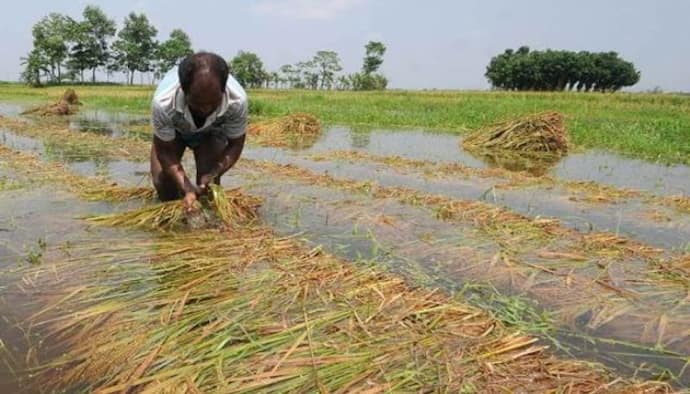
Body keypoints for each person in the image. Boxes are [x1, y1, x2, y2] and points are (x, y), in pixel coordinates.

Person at [150, 51, 247, 212]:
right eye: (197, 102)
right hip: (176, 131)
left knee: (208, 187)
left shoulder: (237, 101)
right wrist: (186, 186)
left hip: (212, 132)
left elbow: (236, 144)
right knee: (164, 184)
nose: (205, 109)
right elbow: (165, 152)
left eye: (213, 102)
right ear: (184, 90)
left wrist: (214, 173)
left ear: (223, 90)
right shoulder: (163, 103)